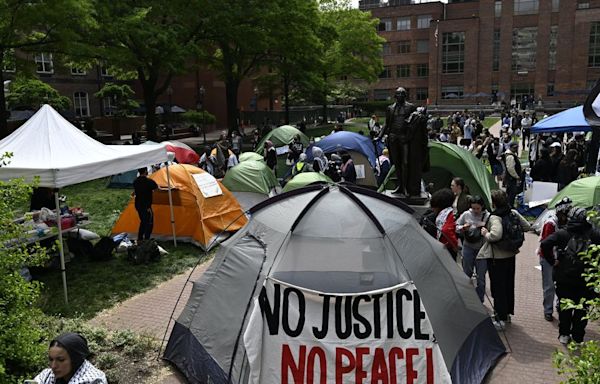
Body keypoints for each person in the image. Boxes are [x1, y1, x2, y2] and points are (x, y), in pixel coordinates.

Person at [540, 207, 600, 344]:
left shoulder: (563, 233)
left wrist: (552, 261)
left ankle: (564, 334)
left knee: (565, 307)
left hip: (564, 277)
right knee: (582, 309)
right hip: (586, 278)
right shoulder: (594, 234)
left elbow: (544, 244)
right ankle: (578, 336)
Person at [478, 190, 530, 330]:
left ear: (494, 203)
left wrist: (486, 233)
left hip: (497, 258)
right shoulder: (512, 212)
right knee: (508, 285)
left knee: (498, 288)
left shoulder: (495, 217)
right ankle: (507, 314)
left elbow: (495, 235)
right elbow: (527, 226)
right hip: (511, 255)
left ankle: (500, 319)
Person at [381, 87, 429, 198]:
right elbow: (386, 124)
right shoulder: (390, 108)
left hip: (404, 139)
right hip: (393, 138)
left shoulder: (410, 107)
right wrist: (379, 136)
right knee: (396, 163)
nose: (401, 96)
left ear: (405, 96)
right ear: (395, 96)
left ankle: (407, 187)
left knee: (406, 163)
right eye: (398, 94)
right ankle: (400, 186)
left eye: (403, 94)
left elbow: (415, 121)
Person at [537, 197, 572, 322]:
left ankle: (559, 305)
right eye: (566, 212)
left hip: (560, 258)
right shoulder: (550, 223)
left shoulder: (567, 223)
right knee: (549, 285)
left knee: (561, 283)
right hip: (548, 258)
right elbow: (545, 245)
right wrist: (553, 260)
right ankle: (548, 310)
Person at [34, 332, 107, 384]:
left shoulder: (94, 380)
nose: (53, 366)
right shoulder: (47, 375)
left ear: (75, 359)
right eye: (51, 359)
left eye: (60, 360)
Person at [456, 195, 490, 302]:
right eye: (473, 208)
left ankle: (480, 300)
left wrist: (485, 230)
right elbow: (456, 226)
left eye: (478, 209)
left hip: (482, 250)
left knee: (481, 277)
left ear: (482, 207)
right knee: (466, 274)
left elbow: (493, 232)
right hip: (468, 248)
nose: (475, 211)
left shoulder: (487, 216)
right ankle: (466, 298)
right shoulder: (466, 214)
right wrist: (463, 228)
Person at [429, 188, 459, 260]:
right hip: (446, 248)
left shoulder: (432, 215)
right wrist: (455, 245)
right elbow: (446, 230)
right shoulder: (449, 214)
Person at [133, 167, 158, 242]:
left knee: (143, 221)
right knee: (149, 222)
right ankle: (146, 239)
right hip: (146, 206)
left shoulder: (135, 181)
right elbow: (156, 188)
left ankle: (140, 238)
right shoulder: (149, 181)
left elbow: (136, 191)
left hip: (138, 205)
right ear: (145, 171)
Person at [503, 142, 521, 208]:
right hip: (511, 178)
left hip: (511, 177)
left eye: (517, 147)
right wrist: (517, 176)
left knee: (510, 192)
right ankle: (510, 206)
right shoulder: (510, 156)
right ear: (510, 147)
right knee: (512, 193)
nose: (516, 149)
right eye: (514, 148)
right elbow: (510, 168)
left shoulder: (512, 155)